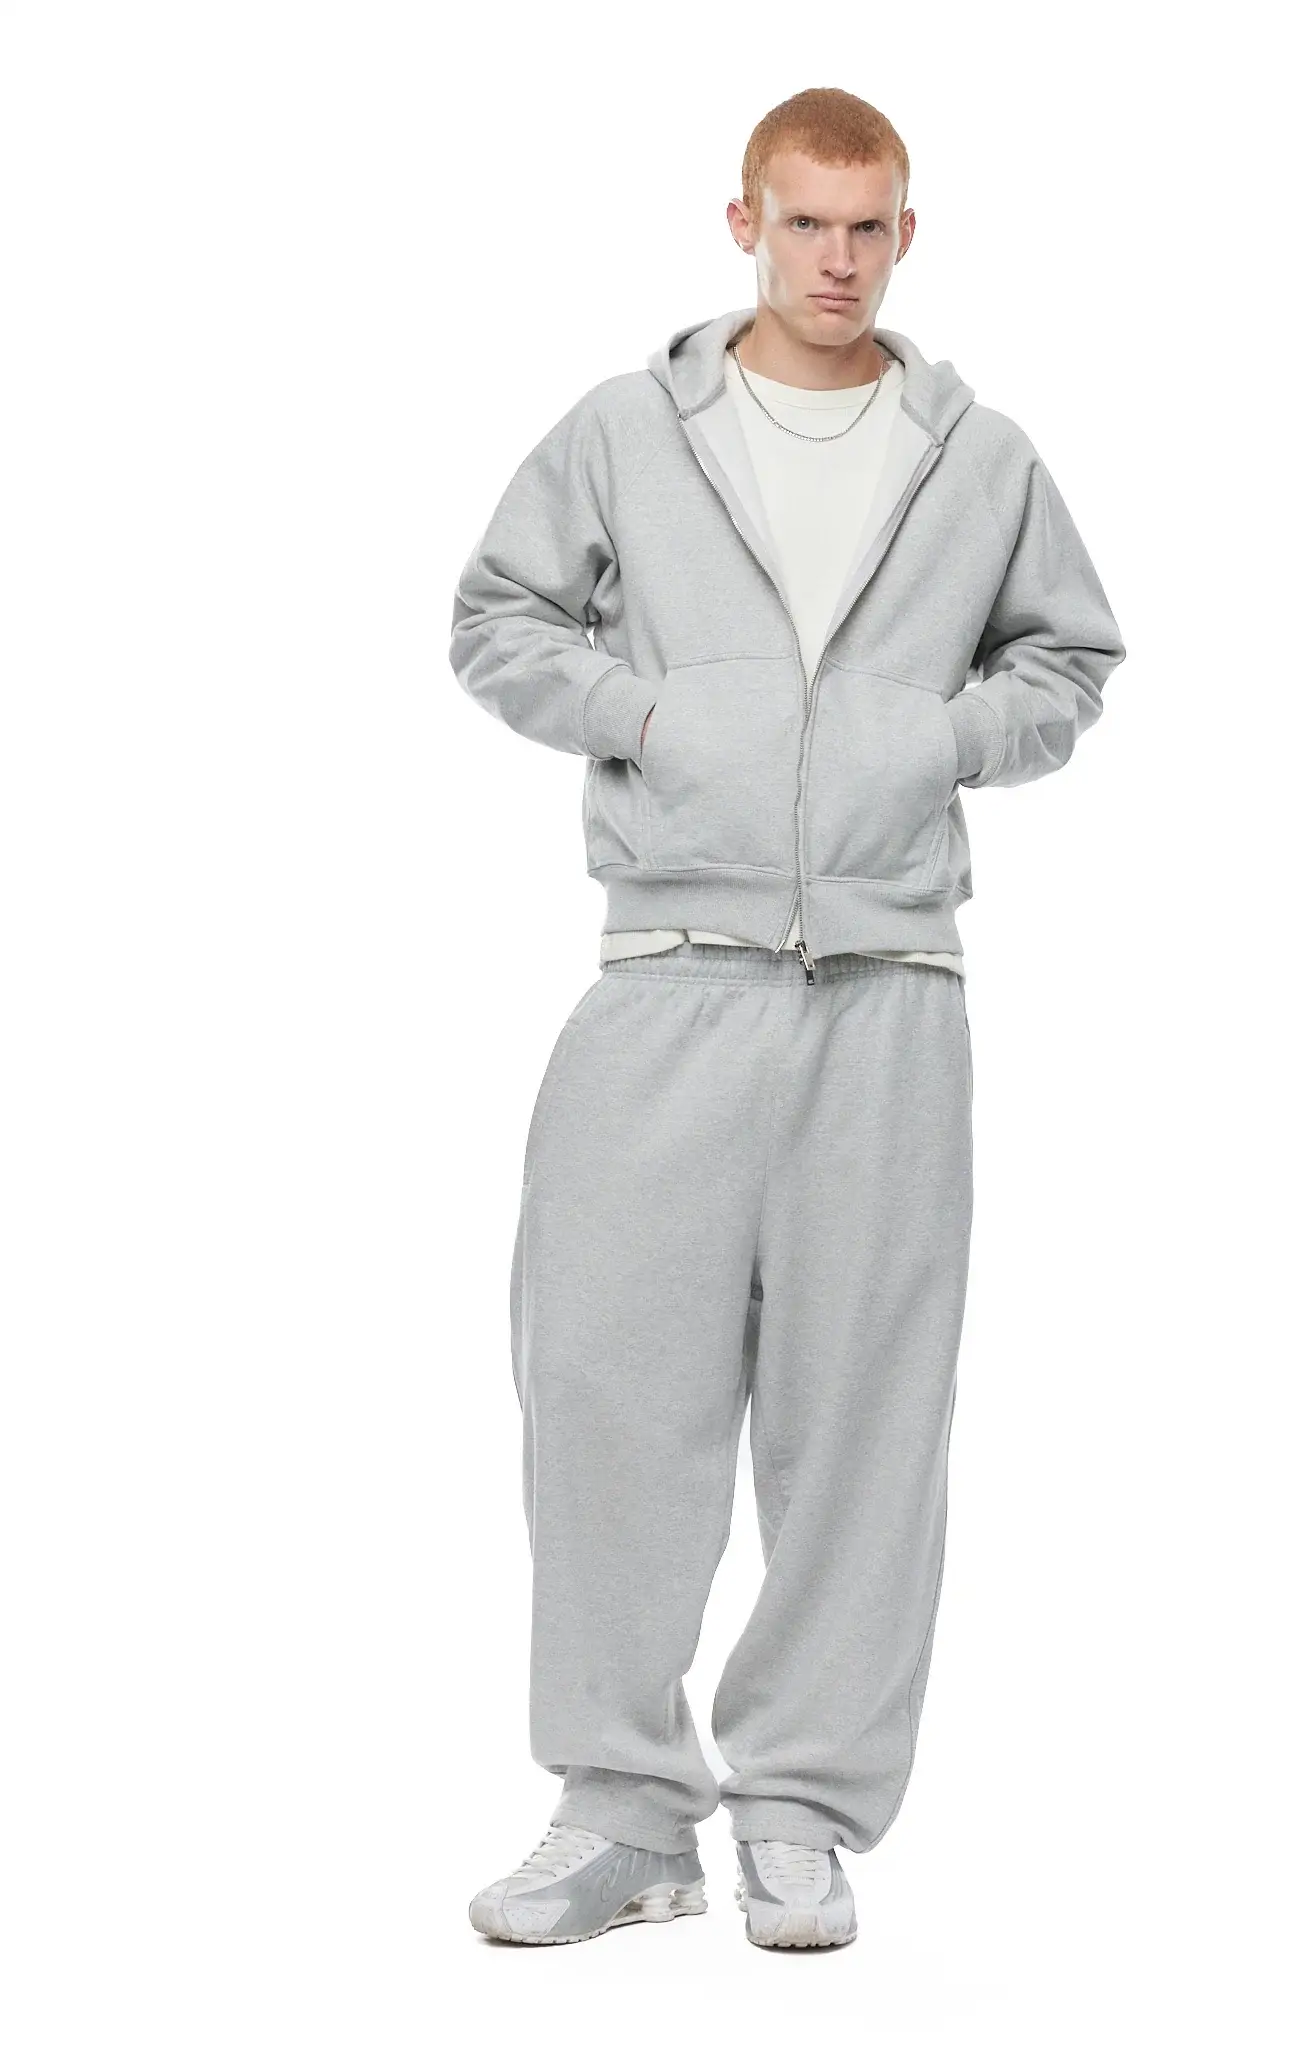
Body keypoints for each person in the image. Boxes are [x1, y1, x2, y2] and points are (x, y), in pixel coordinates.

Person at [447, 86, 1126, 1950]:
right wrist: (651, 718)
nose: (838, 260)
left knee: (863, 1422)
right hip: (668, 975)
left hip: (893, 997)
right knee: (605, 1399)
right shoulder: (625, 430)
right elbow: (499, 619)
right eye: (806, 223)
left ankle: (803, 1809)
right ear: (743, 221)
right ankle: (621, 1815)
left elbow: (1069, 660)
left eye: (869, 226)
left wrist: (936, 741)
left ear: (909, 235)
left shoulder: (977, 456)